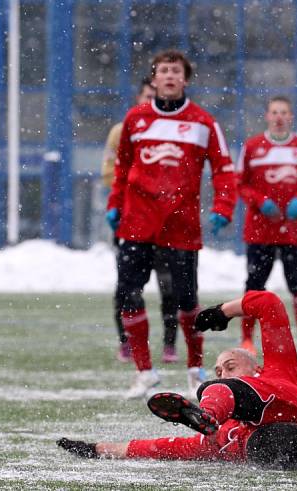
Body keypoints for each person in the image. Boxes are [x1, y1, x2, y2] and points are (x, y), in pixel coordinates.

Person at [58, 291, 297, 471]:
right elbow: (159, 446)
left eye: (230, 363)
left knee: (217, 396)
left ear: (252, 366)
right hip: (286, 441)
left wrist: (221, 312)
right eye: (218, 368)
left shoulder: (277, 368)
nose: (222, 369)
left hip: (280, 402)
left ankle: (204, 411)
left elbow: (268, 304)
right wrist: (97, 447)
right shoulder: (223, 441)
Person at [106, 49, 237, 399]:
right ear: (154, 78)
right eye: (163, 70)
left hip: (180, 225)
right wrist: (114, 205)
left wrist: (224, 207)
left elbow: (224, 169)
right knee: (129, 295)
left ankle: (195, 371)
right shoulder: (134, 120)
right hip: (136, 223)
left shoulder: (204, 122)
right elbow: (121, 170)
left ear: (185, 78)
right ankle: (144, 373)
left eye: (175, 71)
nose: (168, 76)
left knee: (187, 301)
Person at [101, 77, 180, 364]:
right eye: (146, 96)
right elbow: (111, 170)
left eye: (154, 96)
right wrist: (123, 200)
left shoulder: (172, 130)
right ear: (138, 98)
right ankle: (127, 341)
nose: (149, 101)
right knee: (126, 284)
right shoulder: (122, 131)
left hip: (165, 223)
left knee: (169, 285)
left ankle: (170, 344)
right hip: (130, 220)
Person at [236, 96, 297, 358]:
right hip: (260, 231)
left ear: (291, 116)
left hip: (294, 232)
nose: (279, 117)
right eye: (274, 112)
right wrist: (260, 201)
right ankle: (247, 338)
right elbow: (240, 183)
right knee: (254, 285)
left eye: (284, 112)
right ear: (267, 116)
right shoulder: (252, 147)